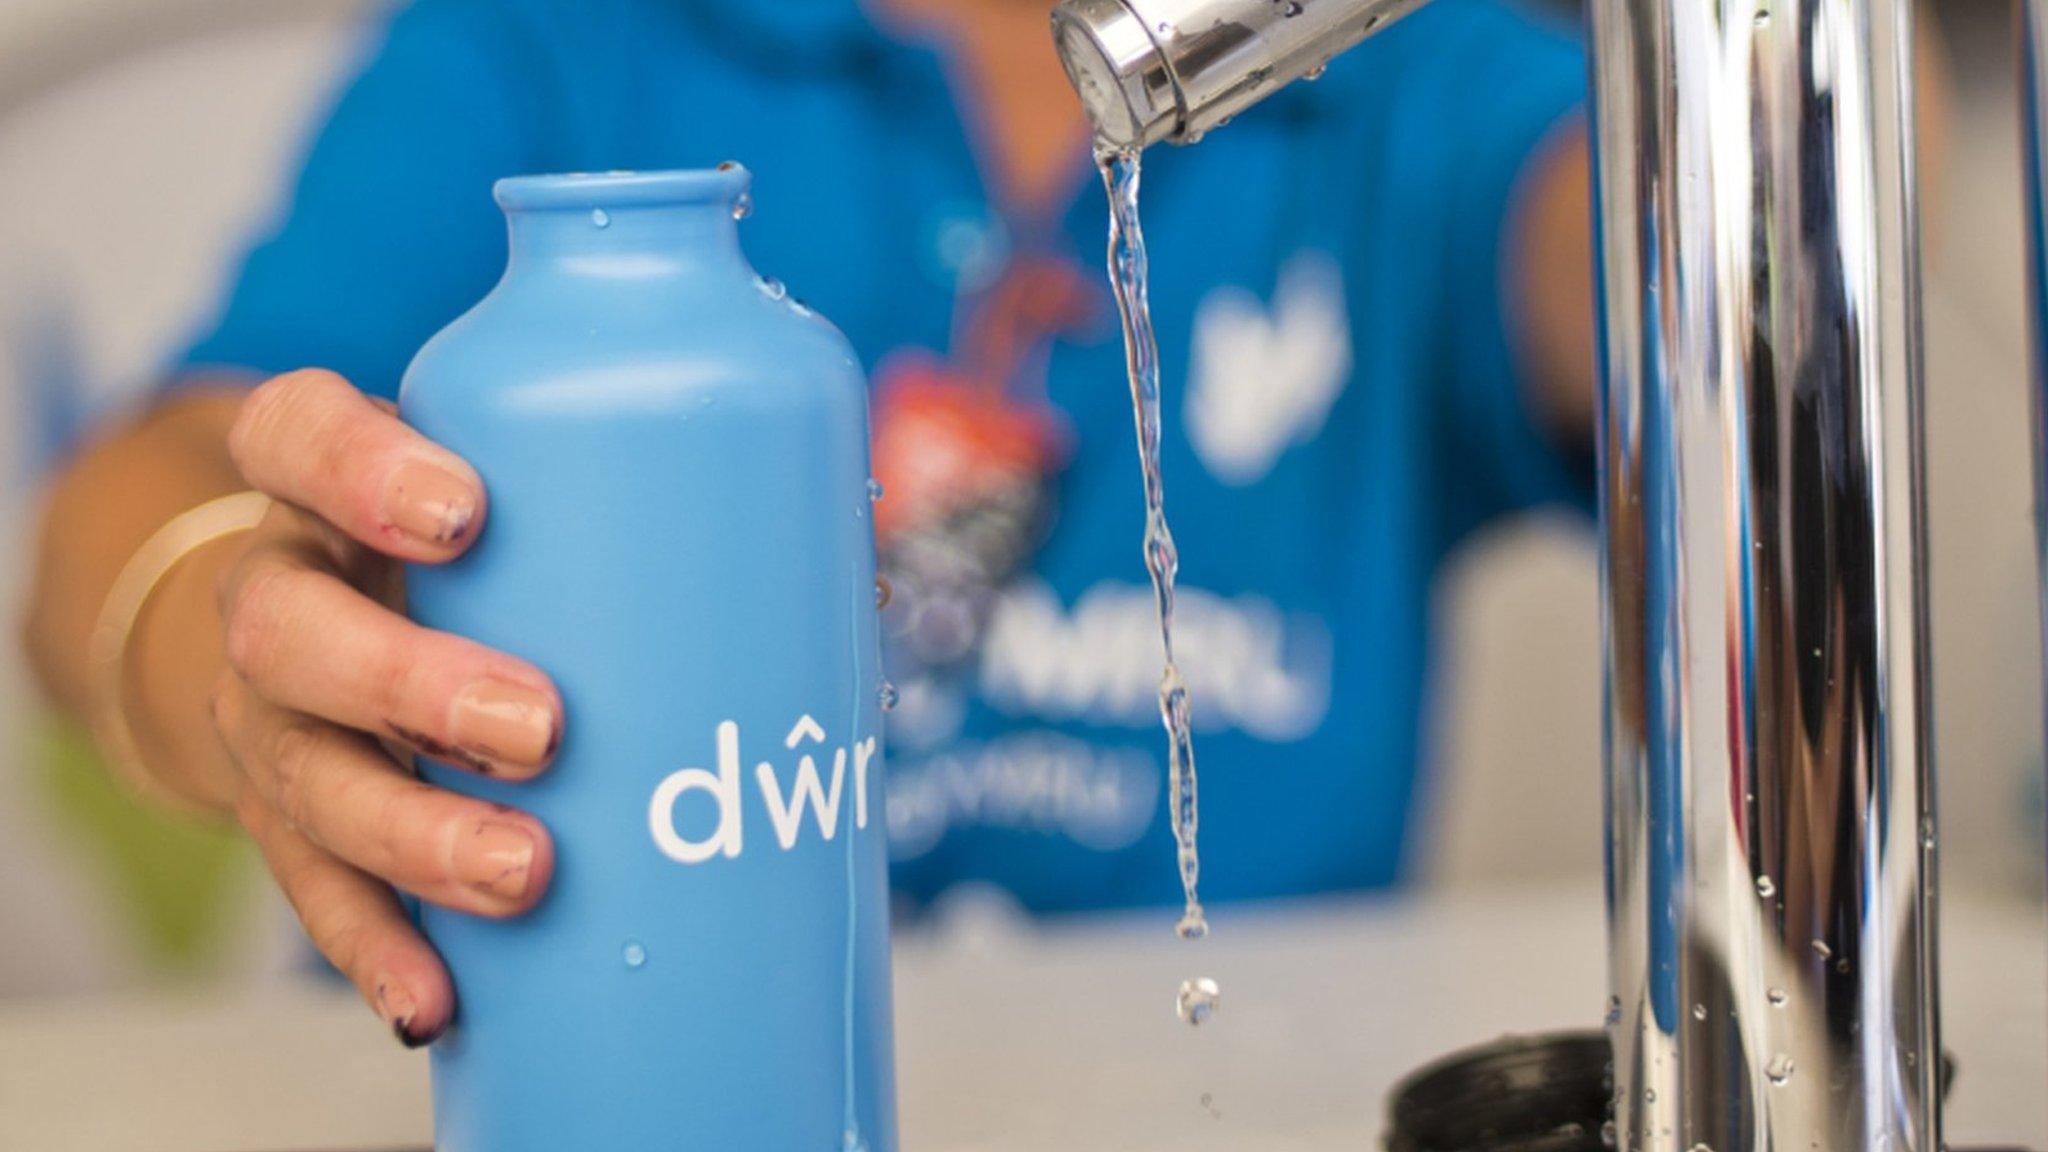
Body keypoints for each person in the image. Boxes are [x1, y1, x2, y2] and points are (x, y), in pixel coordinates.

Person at [23, 0, 1599, 1045]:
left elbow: (1679, 302)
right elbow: (126, 515)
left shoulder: (1407, 83)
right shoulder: (559, 45)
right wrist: (232, 625)